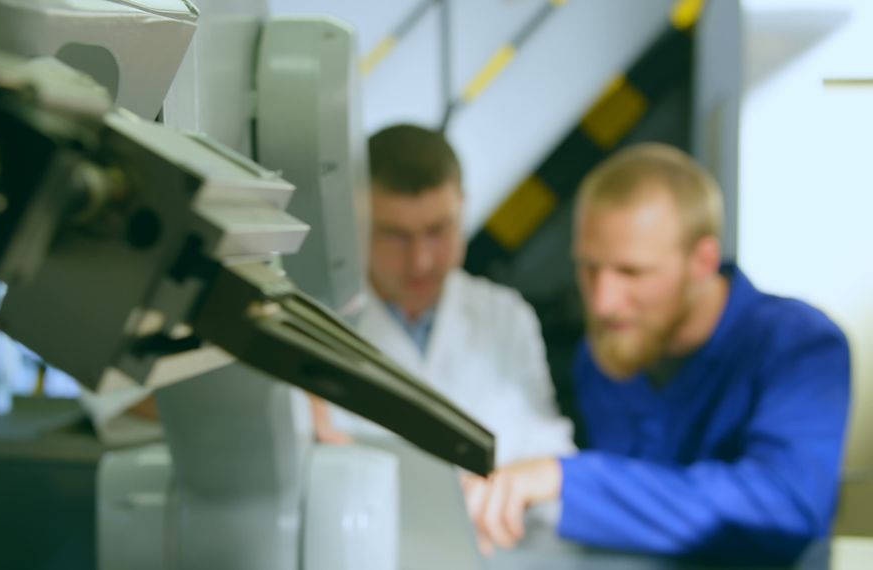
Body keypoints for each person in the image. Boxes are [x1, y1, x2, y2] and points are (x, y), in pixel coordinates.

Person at [464, 143, 851, 565]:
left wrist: (566, 479)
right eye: (589, 268)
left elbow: (784, 510)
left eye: (632, 272)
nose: (603, 302)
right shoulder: (606, 352)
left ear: (702, 261)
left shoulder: (801, 347)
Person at [311, 124, 575, 468]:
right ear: (358, 220)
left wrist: (524, 481)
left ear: (462, 208)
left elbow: (547, 448)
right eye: (395, 235)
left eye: (437, 230)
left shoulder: (506, 315)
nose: (421, 261)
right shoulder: (320, 324)